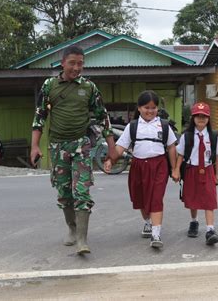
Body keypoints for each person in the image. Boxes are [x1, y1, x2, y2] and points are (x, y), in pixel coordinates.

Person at [30, 45, 115, 255]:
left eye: (80, 64)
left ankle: (82, 240)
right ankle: (72, 227)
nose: (77, 68)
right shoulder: (50, 85)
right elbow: (39, 116)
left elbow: (103, 117)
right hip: (58, 147)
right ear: (63, 63)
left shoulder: (89, 88)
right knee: (65, 193)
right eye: (72, 63)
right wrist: (34, 146)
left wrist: (112, 147)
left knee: (82, 192)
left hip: (81, 146)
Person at [104, 90, 177, 249]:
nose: (150, 111)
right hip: (138, 166)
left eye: (153, 108)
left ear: (157, 109)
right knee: (141, 199)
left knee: (156, 198)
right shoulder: (133, 126)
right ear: (139, 108)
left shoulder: (164, 125)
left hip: (159, 166)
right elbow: (120, 147)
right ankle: (148, 222)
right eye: (146, 107)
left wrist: (175, 169)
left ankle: (156, 234)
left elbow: (171, 147)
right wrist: (110, 160)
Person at [171, 102, 218, 245]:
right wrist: (176, 170)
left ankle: (210, 230)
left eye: (204, 117)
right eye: (198, 116)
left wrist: (217, 174)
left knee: (209, 199)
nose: (201, 119)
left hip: (207, 170)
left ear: (208, 119)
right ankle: (194, 222)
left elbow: (216, 156)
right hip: (191, 170)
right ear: (193, 118)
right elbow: (180, 155)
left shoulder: (213, 136)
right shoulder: (187, 136)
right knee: (193, 199)